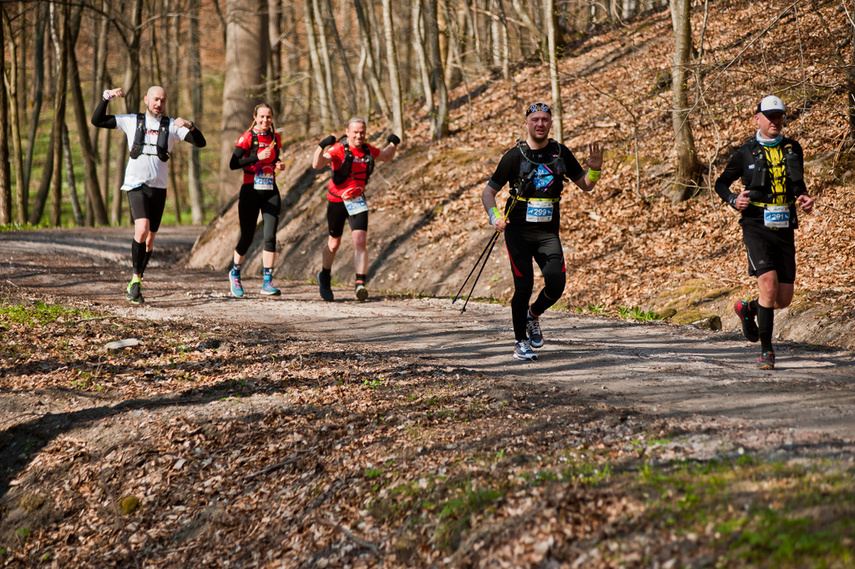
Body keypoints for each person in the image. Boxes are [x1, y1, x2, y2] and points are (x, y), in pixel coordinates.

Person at [482, 102, 603, 361]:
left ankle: (532, 316)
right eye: (535, 119)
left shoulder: (560, 152)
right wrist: (495, 218)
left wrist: (594, 168)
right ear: (526, 123)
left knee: (556, 283)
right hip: (517, 232)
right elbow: (489, 192)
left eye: (545, 119)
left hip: (548, 232)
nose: (540, 123)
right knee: (523, 286)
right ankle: (520, 342)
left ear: (550, 123)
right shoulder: (514, 156)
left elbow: (586, 185)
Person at [715, 95, 814, 370]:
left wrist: (804, 197)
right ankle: (767, 352)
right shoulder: (744, 153)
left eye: (779, 115)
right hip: (755, 224)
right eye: (769, 116)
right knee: (768, 286)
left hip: (784, 224)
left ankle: (747, 310)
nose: (775, 121)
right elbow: (720, 183)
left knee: (782, 299)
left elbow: (797, 184)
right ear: (757, 117)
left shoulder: (793, 149)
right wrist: (734, 199)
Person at [91, 86, 206, 304]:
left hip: (159, 189)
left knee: (150, 240)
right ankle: (135, 280)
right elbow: (97, 120)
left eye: (162, 100)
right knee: (141, 228)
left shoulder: (171, 126)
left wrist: (190, 125)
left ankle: (138, 280)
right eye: (155, 99)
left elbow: (200, 142)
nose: (158, 104)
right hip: (135, 185)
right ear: (146, 100)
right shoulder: (132, 120)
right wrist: (106, 97)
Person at [311, 118, 399, 301]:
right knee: (334, 243)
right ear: (348, 132)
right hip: (337, 200)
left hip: (357, 200)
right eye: (356, 132)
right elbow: (317, 165)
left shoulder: (367, 149)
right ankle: (324, 276)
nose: (359, 136)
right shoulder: (339, 149)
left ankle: (360, 284)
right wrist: (321, 146)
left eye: (362, 132)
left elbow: (385, 156)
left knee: (360, 241)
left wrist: (393, 143)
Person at [226, 103, 286, 298]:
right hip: (250, 190)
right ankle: (235, 272)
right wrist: (256, 157)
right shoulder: (247, 137)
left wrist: (278, 163)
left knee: (270, 236)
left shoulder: (275, 138)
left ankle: (267, 282)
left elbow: (275, 158)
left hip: (270, 190)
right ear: (255, 117)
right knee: (248, 237)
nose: (265, 120)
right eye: (261, 117)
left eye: (268, 117)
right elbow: (233, 163)